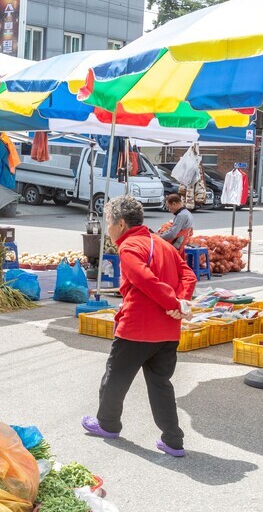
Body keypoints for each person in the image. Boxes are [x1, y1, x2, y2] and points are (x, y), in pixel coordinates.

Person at [82, 195, 197, 457]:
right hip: (168, 329)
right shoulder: (161, 243)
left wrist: (175, 302)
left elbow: (143, 279)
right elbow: (187, 274)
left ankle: (107, 424)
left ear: (121, 224)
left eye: (109, 223)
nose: (107, 229)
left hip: (137, 327)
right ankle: (173, 440)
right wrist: (180, 300)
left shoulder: (130, 246)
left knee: (115, 378)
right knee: (160, 384)